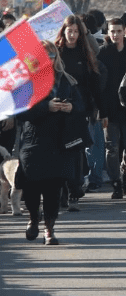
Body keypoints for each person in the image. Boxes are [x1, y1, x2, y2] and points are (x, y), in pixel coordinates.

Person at [17, 41, 85, 245]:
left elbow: (81, 105)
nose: (49, 60)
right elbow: (22, 112)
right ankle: (32, 218)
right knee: (31, 187)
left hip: (59, 141)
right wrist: (46, 107)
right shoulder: (28, 82)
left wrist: (70, 107)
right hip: (33, 141)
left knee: (54, 188)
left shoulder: (66, 79)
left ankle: (49, 229)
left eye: (52, 56)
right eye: (44, 56)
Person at [55, 14, 100, 210]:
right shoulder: (57, 52)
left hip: (79, 109)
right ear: (63, 32)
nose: (72, 35)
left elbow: (93, 84)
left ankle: (74, 189)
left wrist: (95, 109)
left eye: (76, 31)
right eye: (69, 31)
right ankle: (61, 190)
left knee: (77, 149)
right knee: (58, 150)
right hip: (58, 108)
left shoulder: (85, 53)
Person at [96, 18, 126, 199]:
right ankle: (116, 183)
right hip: (110, 109)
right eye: (112, 31)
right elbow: (98, 86)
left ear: (123, 32)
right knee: (111, 149)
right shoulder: (103, 53)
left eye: (118, 31)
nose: (115, 35)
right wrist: (101, 112)